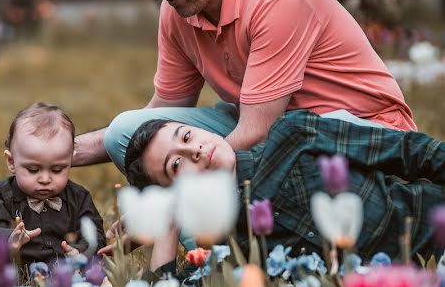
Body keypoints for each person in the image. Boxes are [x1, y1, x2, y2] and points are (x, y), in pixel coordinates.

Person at [72, 0, 416, 267]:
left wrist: (164, 203)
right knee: (127, 131)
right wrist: (61, 152)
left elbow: (254, 132)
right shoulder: (178, 14)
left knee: (216, 165)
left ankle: (234, 245)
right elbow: (159, 120)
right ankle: (216, 245)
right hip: (275, 133)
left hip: (358, 137)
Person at [120, 111, 445, 262]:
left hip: (430, 222)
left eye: (187, 136)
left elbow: (405, 151)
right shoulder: (225, 243)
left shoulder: (292, 136)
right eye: (176, 166)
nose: (194, 150)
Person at [0, 103, 106, 267]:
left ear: (70, 160)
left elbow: (95, 233)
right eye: (33, 170)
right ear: (11, 162)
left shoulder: (79, 197)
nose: (45, 179)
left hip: (66, 272)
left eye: (57, 169)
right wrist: (9, 239)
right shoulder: (3, 195)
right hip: (18, 271)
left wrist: (80, 251)